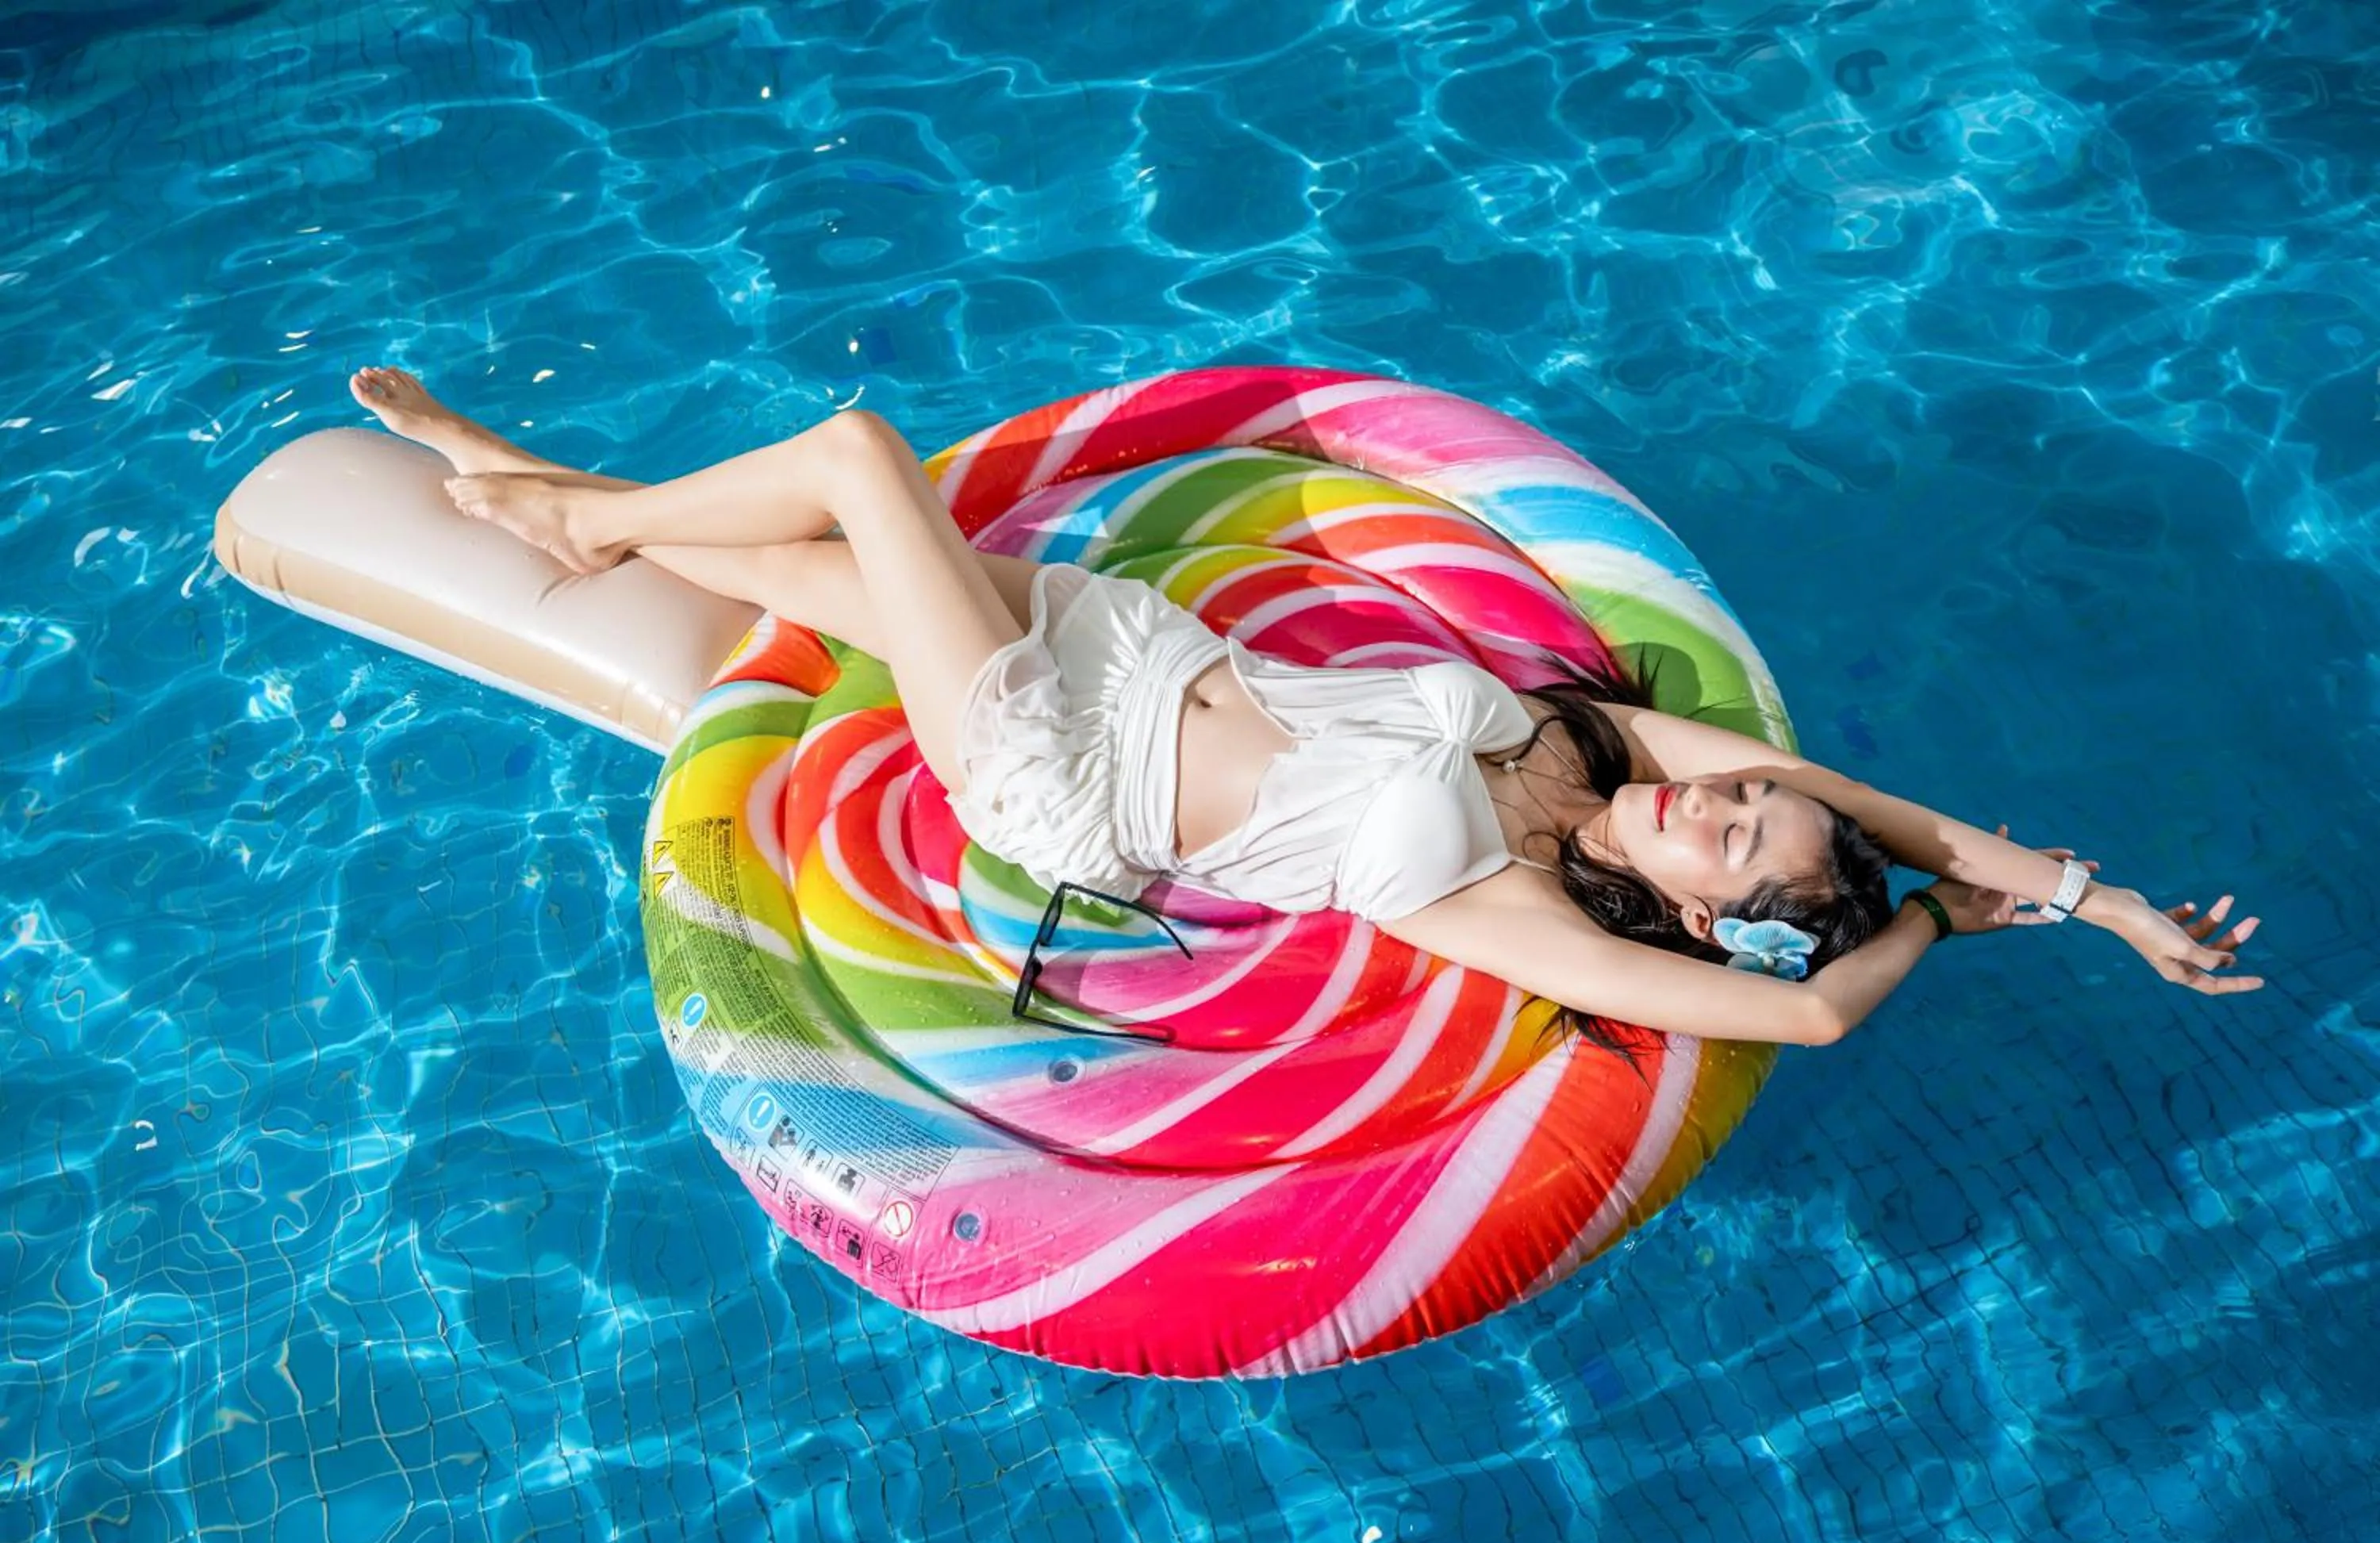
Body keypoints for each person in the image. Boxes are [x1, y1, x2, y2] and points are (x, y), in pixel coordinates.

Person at [347, 367, 2263, 1050]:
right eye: (1751, 794)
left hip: (1051, 764)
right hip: (1118, 640)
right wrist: (2093, 898)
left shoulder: (1518, 913)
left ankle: (571, 514)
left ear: (1701, 923)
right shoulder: (1610, 747)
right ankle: (534, 480)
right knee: (783, 565)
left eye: (1740, 842)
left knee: (855, 458)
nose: (1732, 800)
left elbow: (1821, 1008)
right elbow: (1880, 805)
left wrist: (1937, 929)